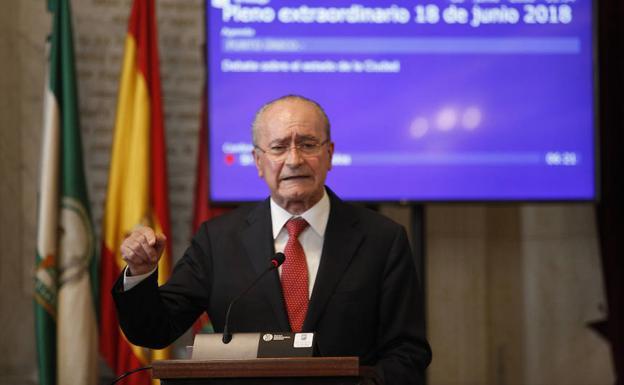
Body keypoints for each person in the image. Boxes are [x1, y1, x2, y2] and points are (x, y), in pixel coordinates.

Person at [113, 95, 432, 384]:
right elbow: (155, 330)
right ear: (257, 161)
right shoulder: (218, 240)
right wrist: (140, 273)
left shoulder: (382, 239)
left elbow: (407, 353)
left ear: (329, 154)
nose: (294, 160)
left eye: (308, 144)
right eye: (279, 147)